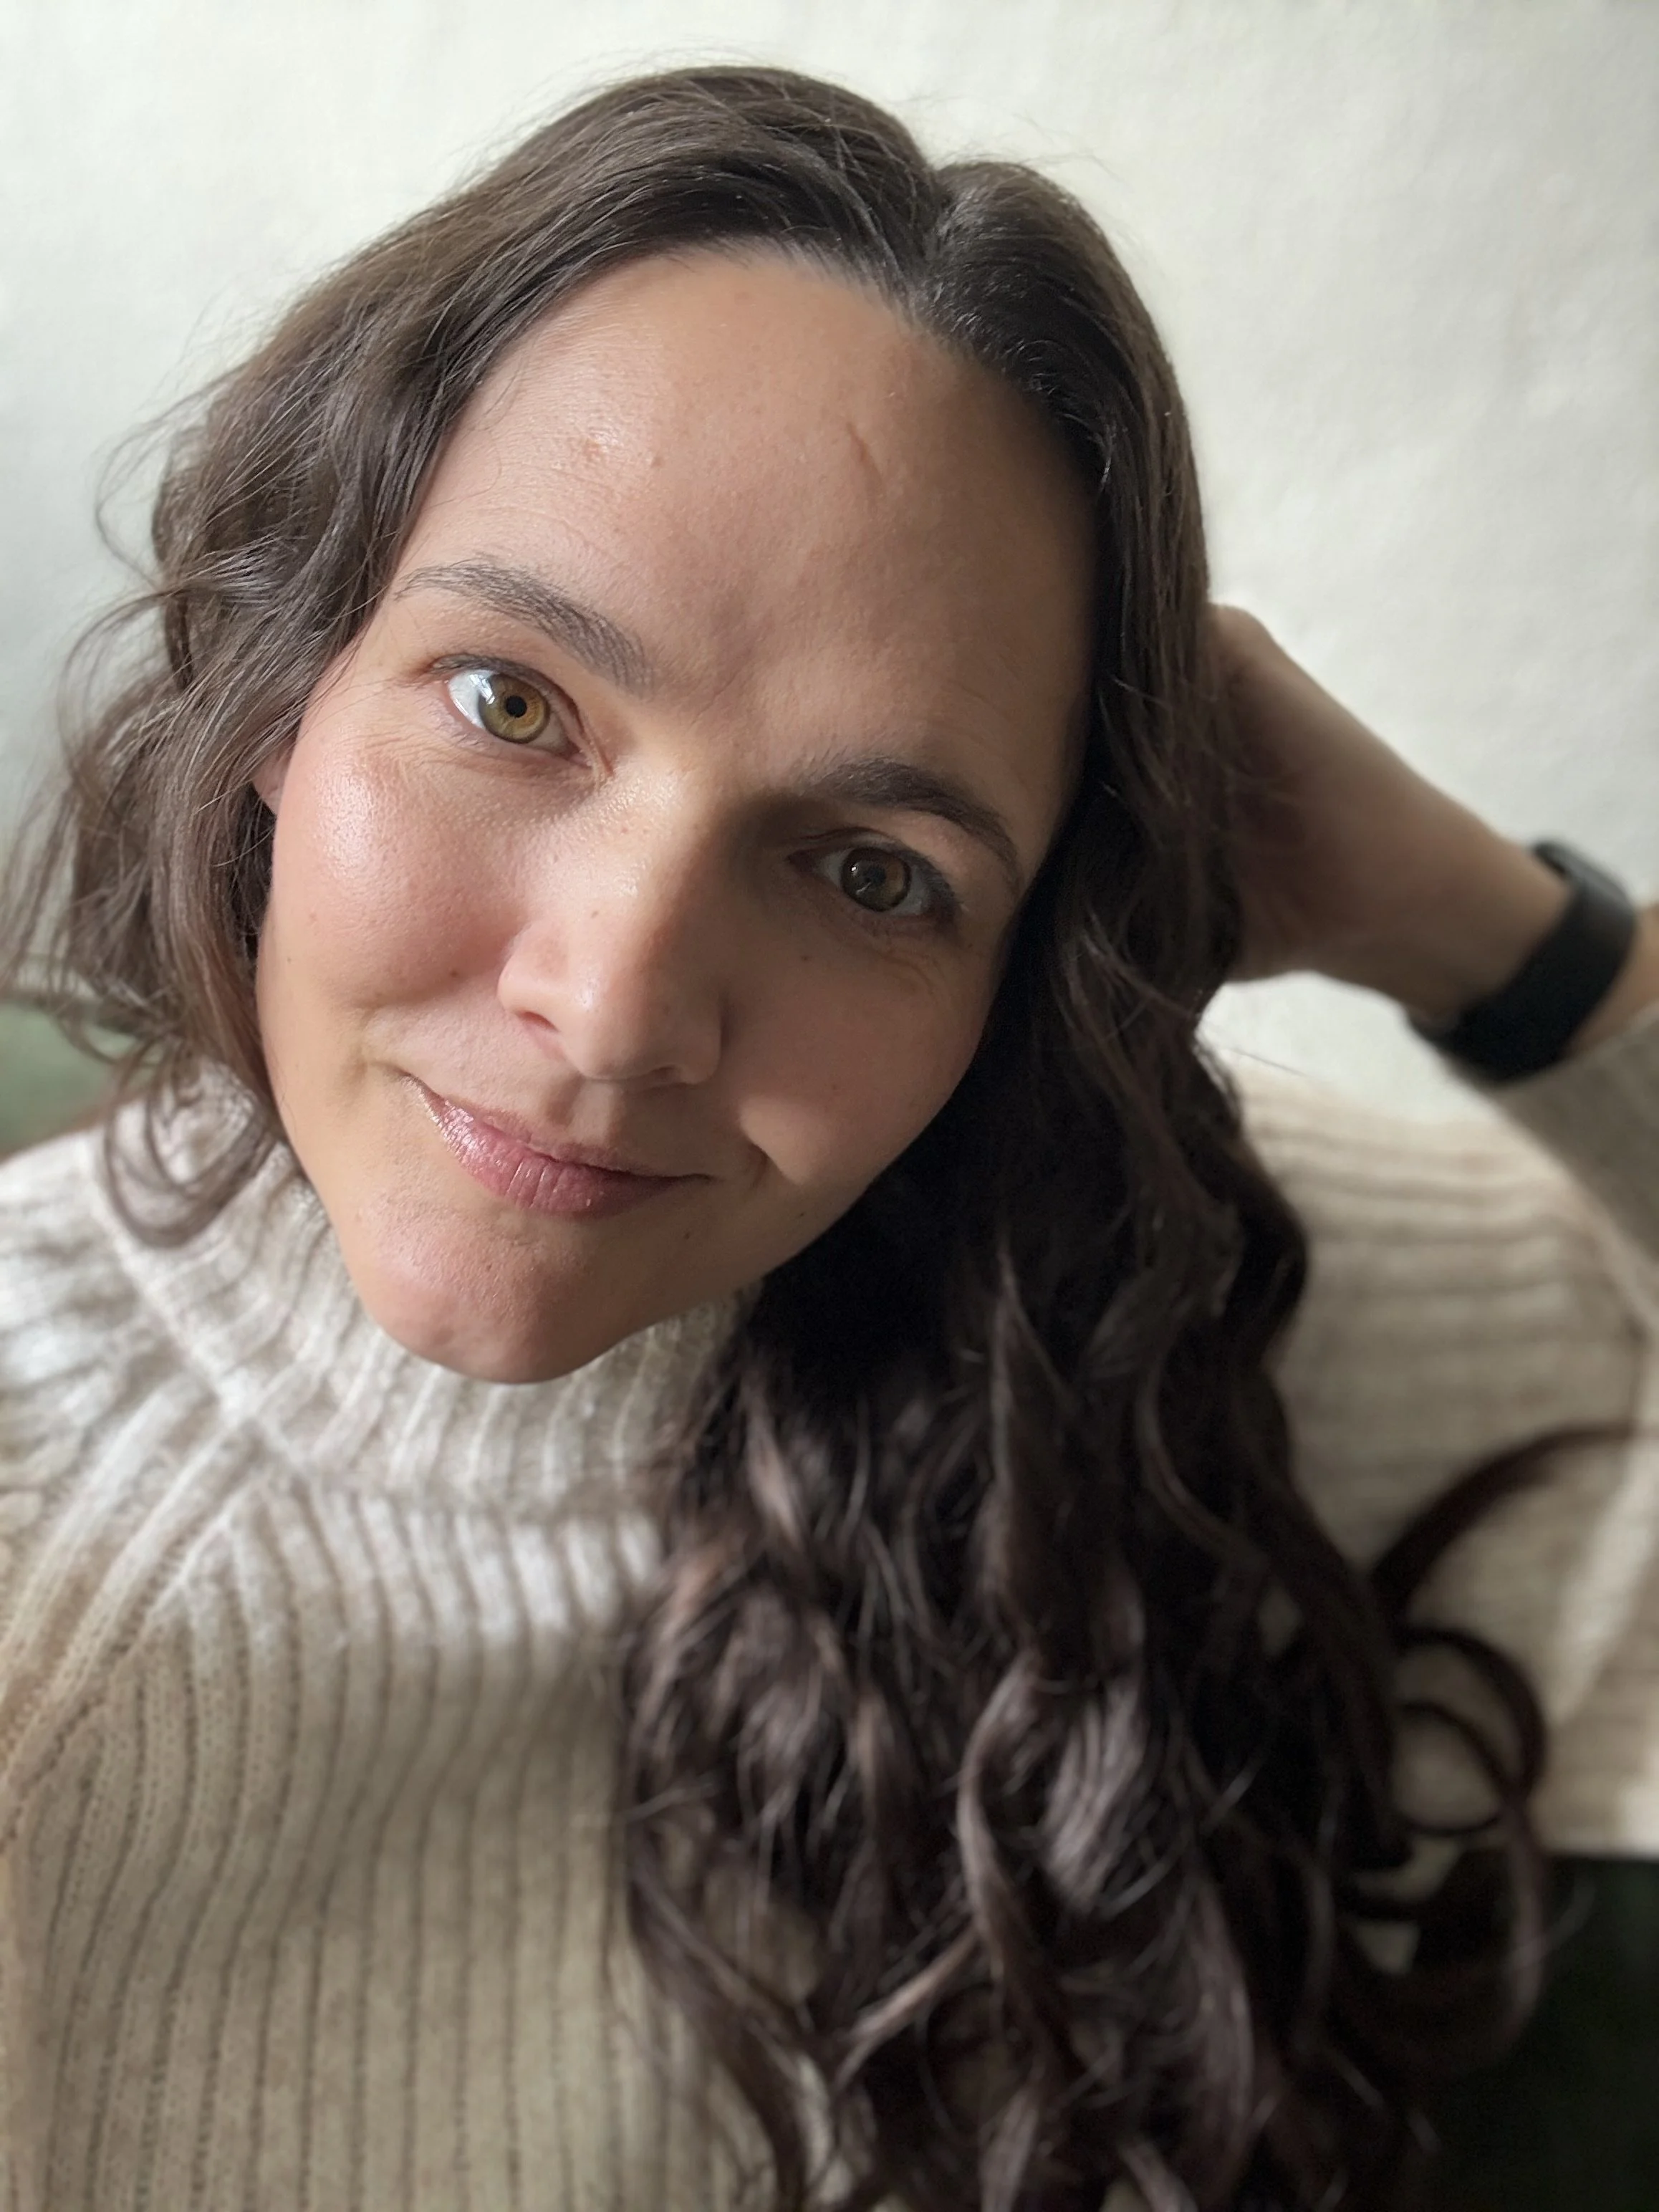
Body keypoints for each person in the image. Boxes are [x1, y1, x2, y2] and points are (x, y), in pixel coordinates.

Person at [0, 62, 1653, 2212]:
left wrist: (1487, 932)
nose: (615, 1009)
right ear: (280, 689)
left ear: (1011, 971)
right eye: (512, 704)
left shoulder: (1116, 1318)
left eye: (874, 871)